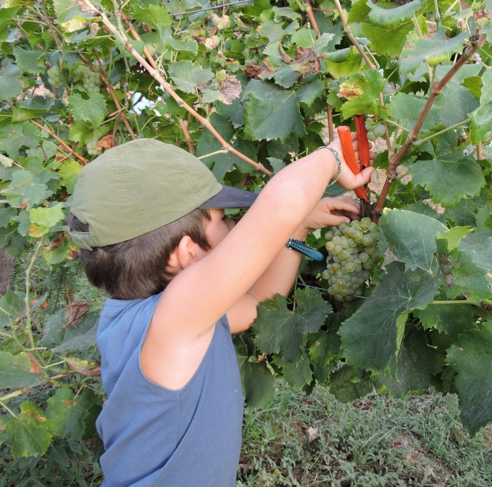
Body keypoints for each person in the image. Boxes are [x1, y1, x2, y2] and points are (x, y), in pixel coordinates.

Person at [67, 136, 373, 486]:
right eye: (225, 220)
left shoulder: (150, 319)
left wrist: (299, 226)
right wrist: (332, 157)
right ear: (190, 254)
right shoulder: (176, 318)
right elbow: (279, 205)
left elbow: (260, 301)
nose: (233, 227)